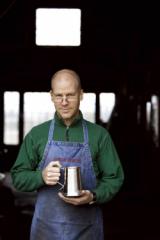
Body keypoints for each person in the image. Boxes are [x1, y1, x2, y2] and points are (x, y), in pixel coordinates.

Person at [10, 69, 124, 240]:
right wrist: (40, 177)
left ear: (81, 95)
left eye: (70, 95)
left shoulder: (99, 135)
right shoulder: (37, 135)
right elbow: (18, 177)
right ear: (51, 96)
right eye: (58, 95)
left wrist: (93, 196)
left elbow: (114, 178)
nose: (64, 102)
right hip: (45, 230)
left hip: (87, 230)